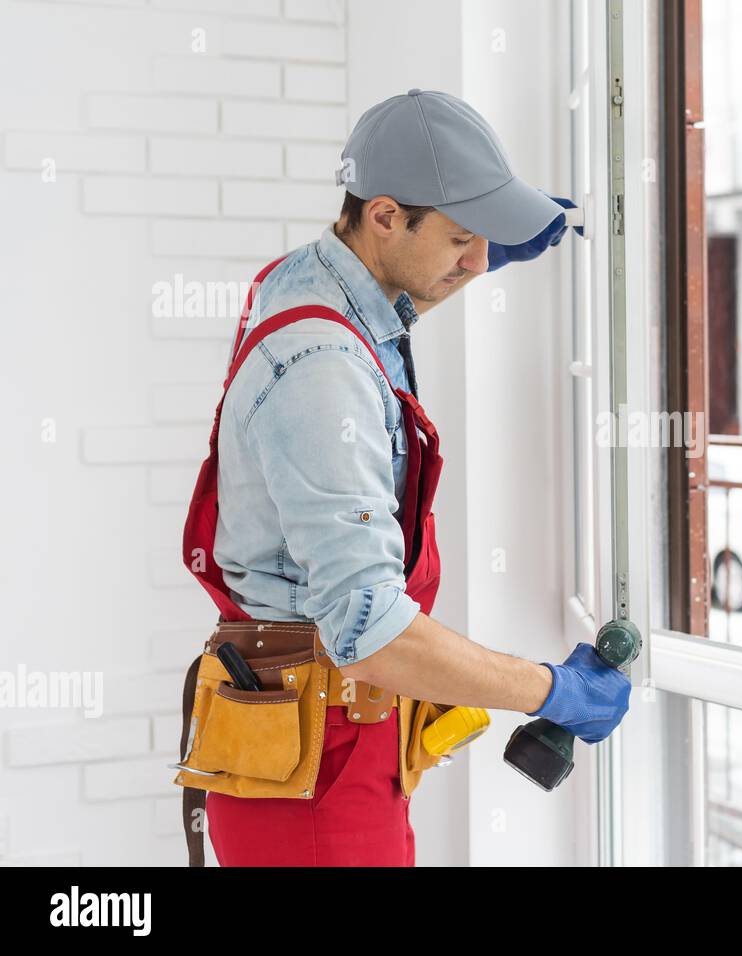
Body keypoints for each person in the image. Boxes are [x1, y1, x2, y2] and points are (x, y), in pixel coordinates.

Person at [180, 89, 629, 866]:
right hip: (317, 782)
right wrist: (555, 691)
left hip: (316, 746)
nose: (478, 258)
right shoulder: (323, 368)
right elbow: (369, 633)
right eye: (461, 237)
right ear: (385, 216)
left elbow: (374, 311)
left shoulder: (304, 283)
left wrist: (479, 245)